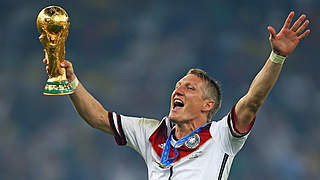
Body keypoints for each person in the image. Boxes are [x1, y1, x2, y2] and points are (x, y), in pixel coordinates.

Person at [43, 11, 310, 179]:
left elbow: (252, 101)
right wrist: (72, 82)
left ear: (208, 105)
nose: (178, 90)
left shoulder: (221, 137)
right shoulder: (151, 134)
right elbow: (98, 118)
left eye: (189, 88)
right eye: (178, 85)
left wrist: (277, 56)